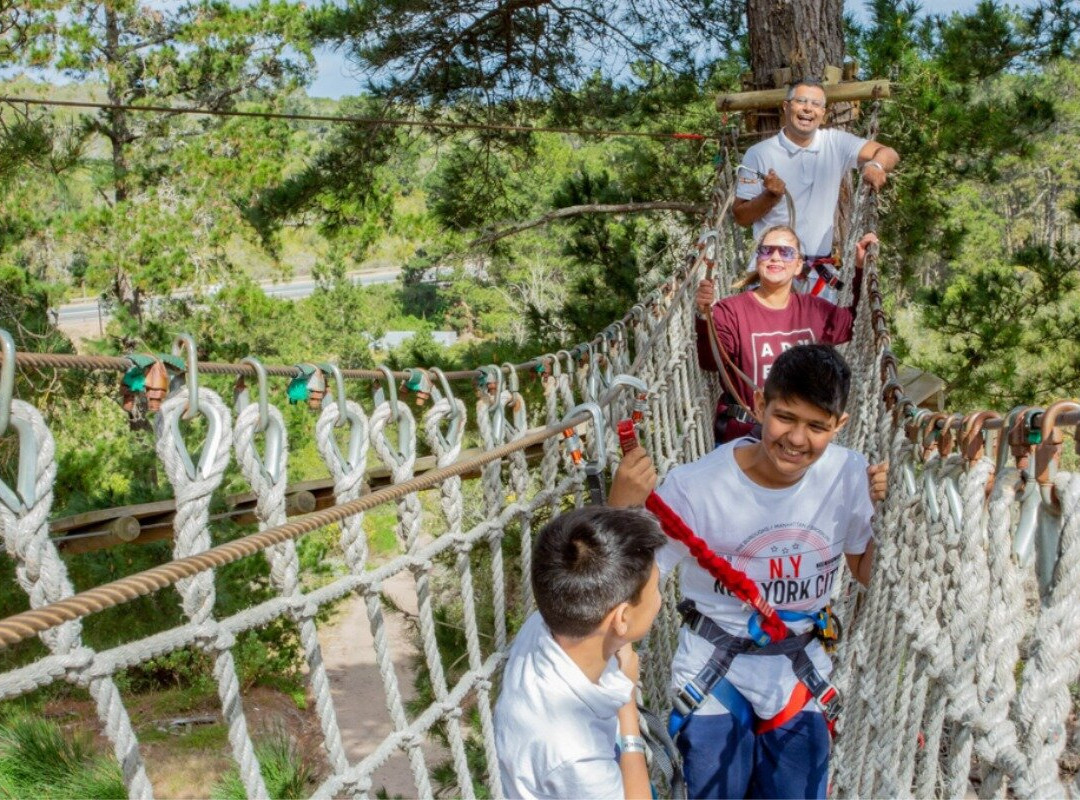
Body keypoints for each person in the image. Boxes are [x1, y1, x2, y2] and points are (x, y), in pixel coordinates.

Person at [609, 343, 875, 800]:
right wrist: (620, 506)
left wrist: (893, 521)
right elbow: (627, 580)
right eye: (785, 417)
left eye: (816, 426)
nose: (796, 439)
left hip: (799, 670)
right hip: (714, 667)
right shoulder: (695, 487)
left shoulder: (850, 475)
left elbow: (865, 570)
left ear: (840, 426)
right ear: (758, 405)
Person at [494, 505, 667, 800]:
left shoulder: (545, 623)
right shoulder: (575, 754)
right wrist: (627, 712)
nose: (660, 600)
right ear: (621, 619)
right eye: (656, 589)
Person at [696, 223, 877, 444]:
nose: (775, 257)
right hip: (745, 437)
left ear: (799, 265)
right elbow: (710, 361)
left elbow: (856, 323)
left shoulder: (814, 310)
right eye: (767, 250)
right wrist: (705, 316)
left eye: (786, 252)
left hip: (799, 439)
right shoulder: (730, 311)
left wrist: (861, 269)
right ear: (758, 259)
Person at [733, 78, 899, 301]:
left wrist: (876, 165)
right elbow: (741, 216)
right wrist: (770, 196)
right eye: (801, 101)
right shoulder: (759, 153)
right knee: (769, 335)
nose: (808, 109)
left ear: (824, 113)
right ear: (786, 106)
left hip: (817, 275)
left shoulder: (836, 144)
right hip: (772, 269)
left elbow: (889, 152)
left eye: (815, 104)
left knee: (819, 336)